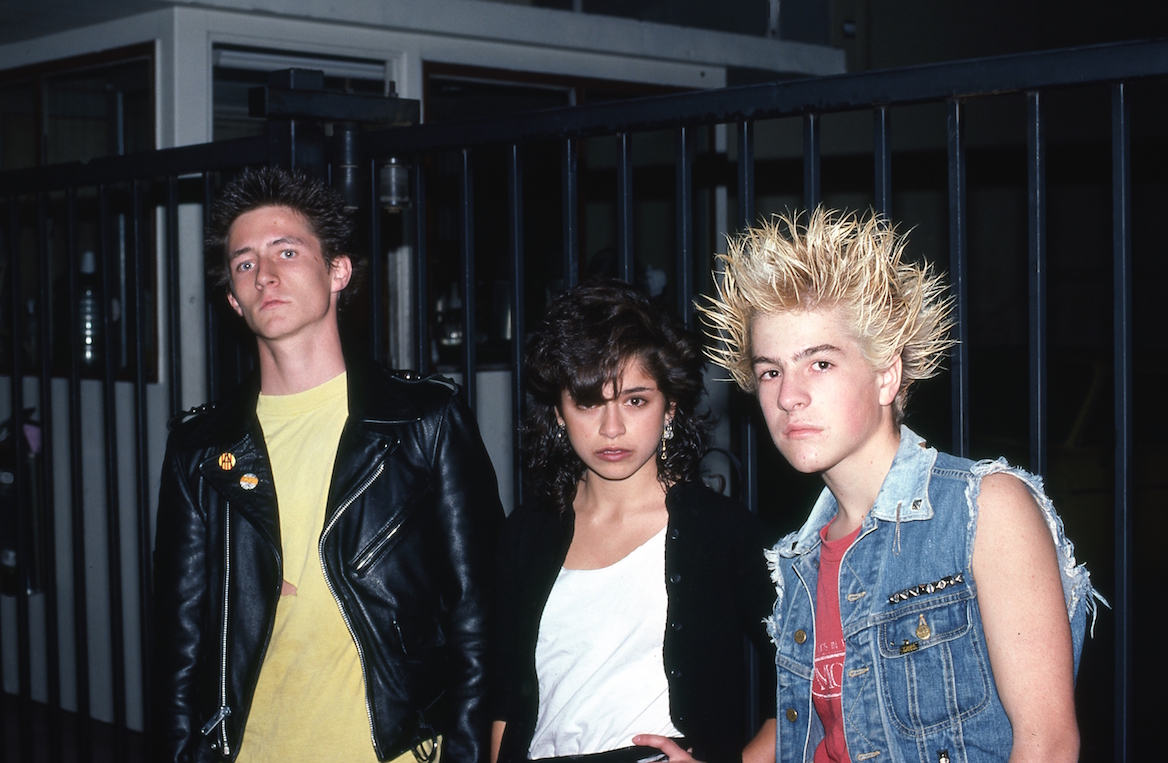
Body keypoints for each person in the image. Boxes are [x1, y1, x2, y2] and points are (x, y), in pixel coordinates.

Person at [699, 208, 1098, 763]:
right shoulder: (798, 560)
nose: (788, 395)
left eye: (819, 363)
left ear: (886, 373)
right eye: (771, 371)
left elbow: (1049, 743)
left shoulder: (983, 510)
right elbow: (823, 732)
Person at [152, 166, 504, 763]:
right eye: (244, 263)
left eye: (287, 251)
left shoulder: (423, 421)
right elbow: (180, 645)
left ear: (337, 271)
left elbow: (481, 611)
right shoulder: (202, 450)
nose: (265, 274)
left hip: (397, 749)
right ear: (234, 301)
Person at [491, 280, 777, 763]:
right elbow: (502, 698)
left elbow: (808, 674)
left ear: (670, 407)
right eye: (587, 403)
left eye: (635, 400)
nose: (611, 428)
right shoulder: (525, 533)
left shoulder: (721, 532)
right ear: (559, 413)